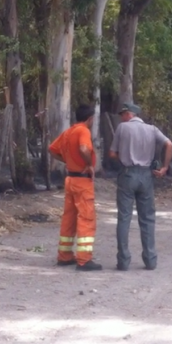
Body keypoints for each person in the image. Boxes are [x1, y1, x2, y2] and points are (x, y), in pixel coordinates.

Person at [109, 102, 172, 271]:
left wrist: (124, 155)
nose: (122, 117)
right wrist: (165, 167)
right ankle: (150, 260)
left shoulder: (122, 128)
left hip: (128, 174)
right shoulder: (152, 129)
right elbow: (169, 144)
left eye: (123, 114)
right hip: (147, 175)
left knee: (124, 218)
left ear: (129, 114)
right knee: (147, 219)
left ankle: (123, 261)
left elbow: (112, 153)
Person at [48, 104, 102, 271]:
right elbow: (84, 148)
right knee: (86, 218)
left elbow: (52, 149)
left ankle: (64, 256)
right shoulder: (83, 131)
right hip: (82, 181)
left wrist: (68, 161)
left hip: (70, 179)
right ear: (90, 119)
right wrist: (88, 164)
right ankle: (84, 260)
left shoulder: (69, 132)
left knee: (69, 218)